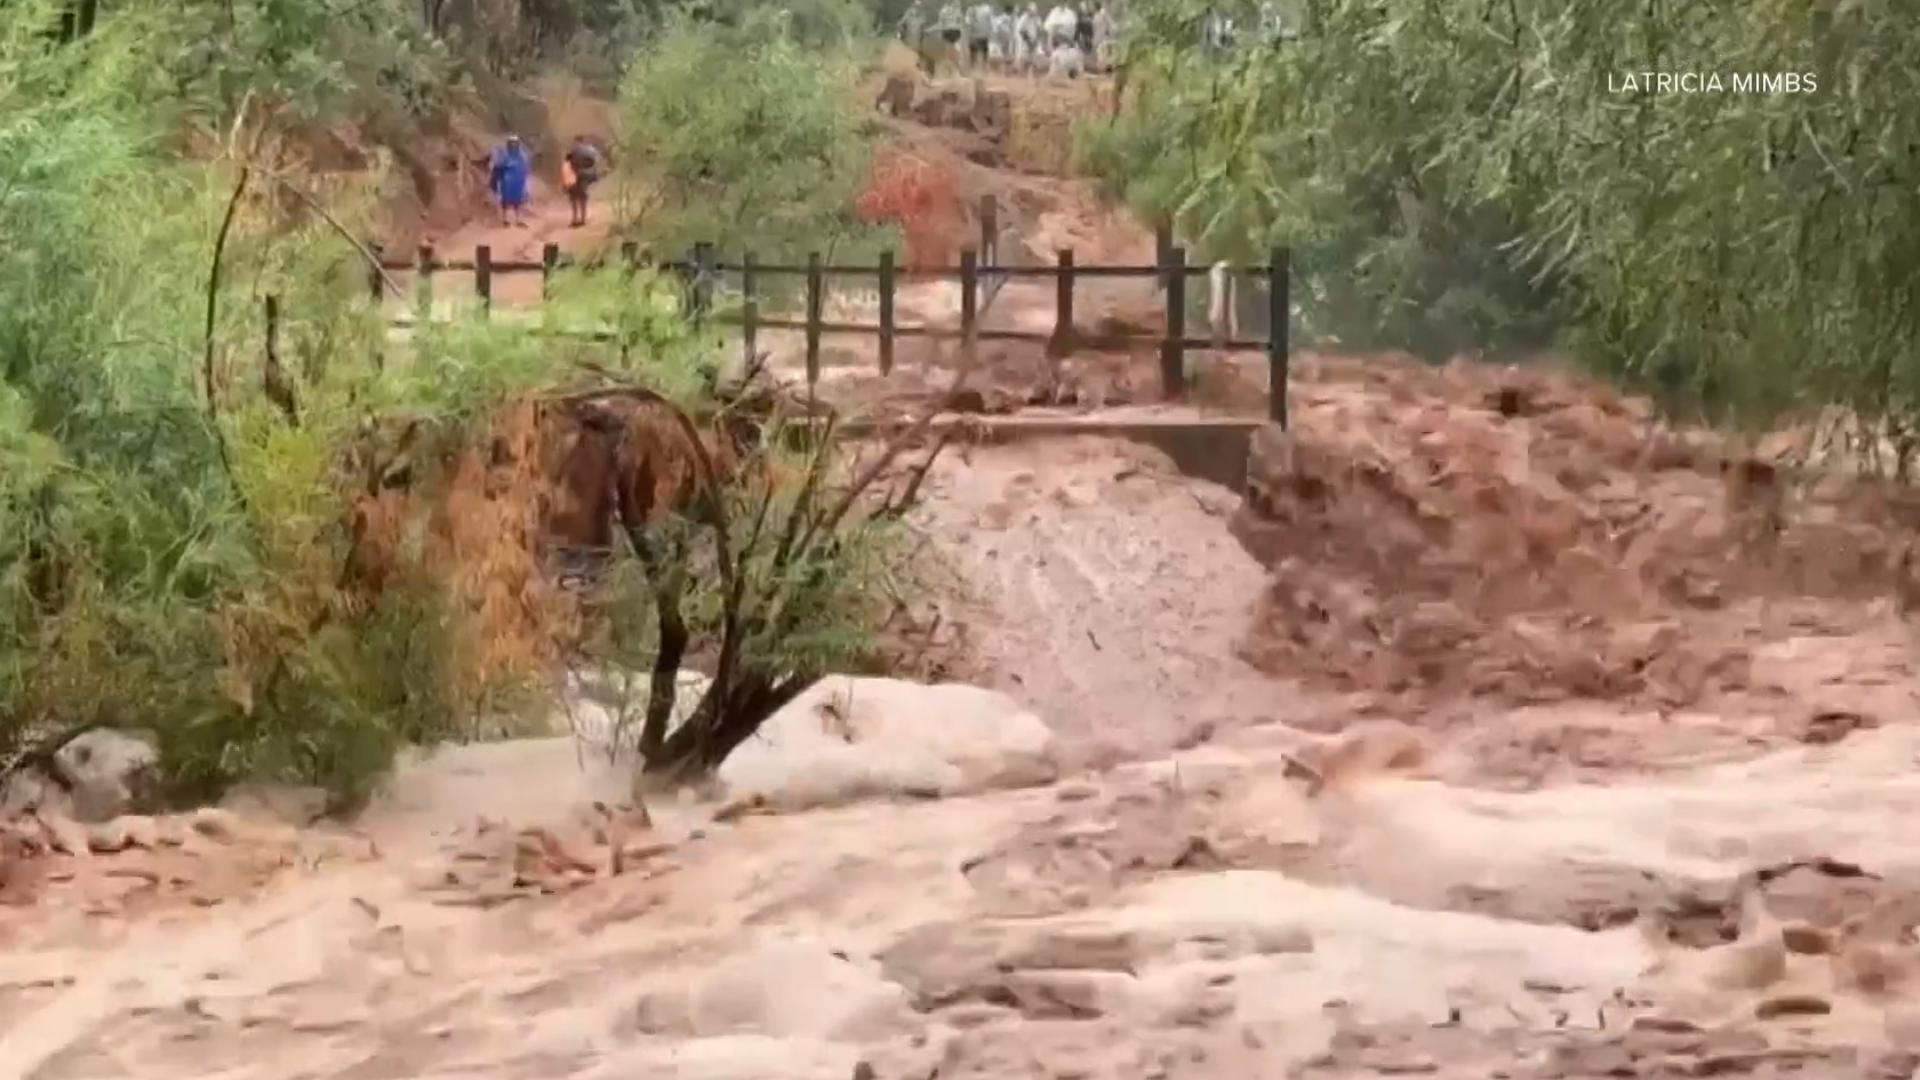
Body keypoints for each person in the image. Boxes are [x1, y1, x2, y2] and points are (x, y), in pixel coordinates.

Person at [489, 134, 531, 229]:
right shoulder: (504, 154)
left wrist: (525, 179)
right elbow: (498, 166)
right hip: (507, 181)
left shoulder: (521, 155)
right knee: (506, 201)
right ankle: (506, 220)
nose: (513, 145)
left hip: (519, 181)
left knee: (519, 201)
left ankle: (519, 220)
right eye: (511, 143)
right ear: (508, 143)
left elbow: (525, 167)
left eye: (515, 143)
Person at [563, 136, 601, 228]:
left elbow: (567, 164)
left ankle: (575, 219)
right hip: (585, 177)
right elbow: (595, 163)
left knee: (574, 199)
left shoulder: (573, 151)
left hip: (574, 176)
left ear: (576, 141)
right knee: (582, 198)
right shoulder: (590, 150)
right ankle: (583, 219)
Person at [1014, 4, 1042, 73]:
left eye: (1034, 11)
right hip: (1024, 40)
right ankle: (1020, 71)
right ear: (1028, 11)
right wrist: (1028, 41)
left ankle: (1032, 71)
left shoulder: (1037, 18)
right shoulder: (1023, 18)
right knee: (1022, 55)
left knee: (1034, 56)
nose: (1033, 13)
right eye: (1031, 11)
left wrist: (1036, 40)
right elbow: (1021, 30)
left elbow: (1039, 30)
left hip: (1034, 40)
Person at [968, 0, 995, 68]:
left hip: (983, 34)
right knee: (974, 52)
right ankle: (974, 68)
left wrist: (991, 32)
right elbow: (968, 21)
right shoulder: (971, 9)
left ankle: (983, 68)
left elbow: (991, 21)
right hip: (975, 34)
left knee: (984, 51)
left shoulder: (987, 9)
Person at [1091, 2, 1115, 72]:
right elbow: (1095, 27)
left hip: (1104, 36)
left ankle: (1106, 67)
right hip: (1098, 36)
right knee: (1100, 52)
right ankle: (1102, 68)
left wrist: (1109, 32)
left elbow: (1109, 23)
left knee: (1104, 52)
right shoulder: (1096, 15)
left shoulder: (1103, 13)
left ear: (1096, 7)